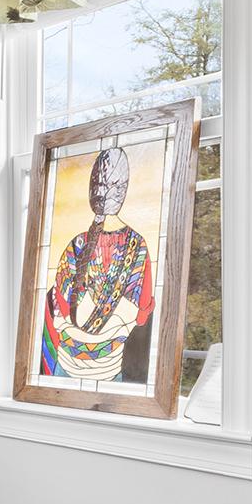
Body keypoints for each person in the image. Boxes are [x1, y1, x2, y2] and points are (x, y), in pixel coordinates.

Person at [39, 146, 153, 383]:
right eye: (104, 185)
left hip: (90, 370)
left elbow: (58, 311)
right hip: (91, 370)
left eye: (104, 186)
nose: (102, 192)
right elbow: (140, 314)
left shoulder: (79, 245)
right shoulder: (133, 246)